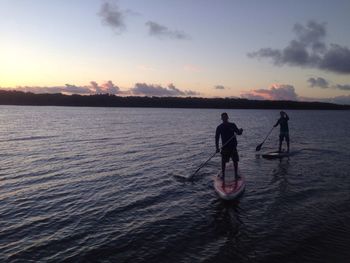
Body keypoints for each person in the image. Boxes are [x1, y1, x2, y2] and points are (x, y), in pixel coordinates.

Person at [215, 112, 243, 183]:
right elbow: (217, 138)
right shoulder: (219, 127)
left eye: (225, 117)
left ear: (227, 118)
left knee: (235, 161)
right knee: (223, 162)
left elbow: (238, 133)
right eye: (223, 117)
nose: (224, 118)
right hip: (225, 147)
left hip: (233, 146)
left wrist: (240, 131)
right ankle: (223, 175)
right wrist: (217, 147)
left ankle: (236, 174)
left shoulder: (232, 125)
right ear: (221, 118)